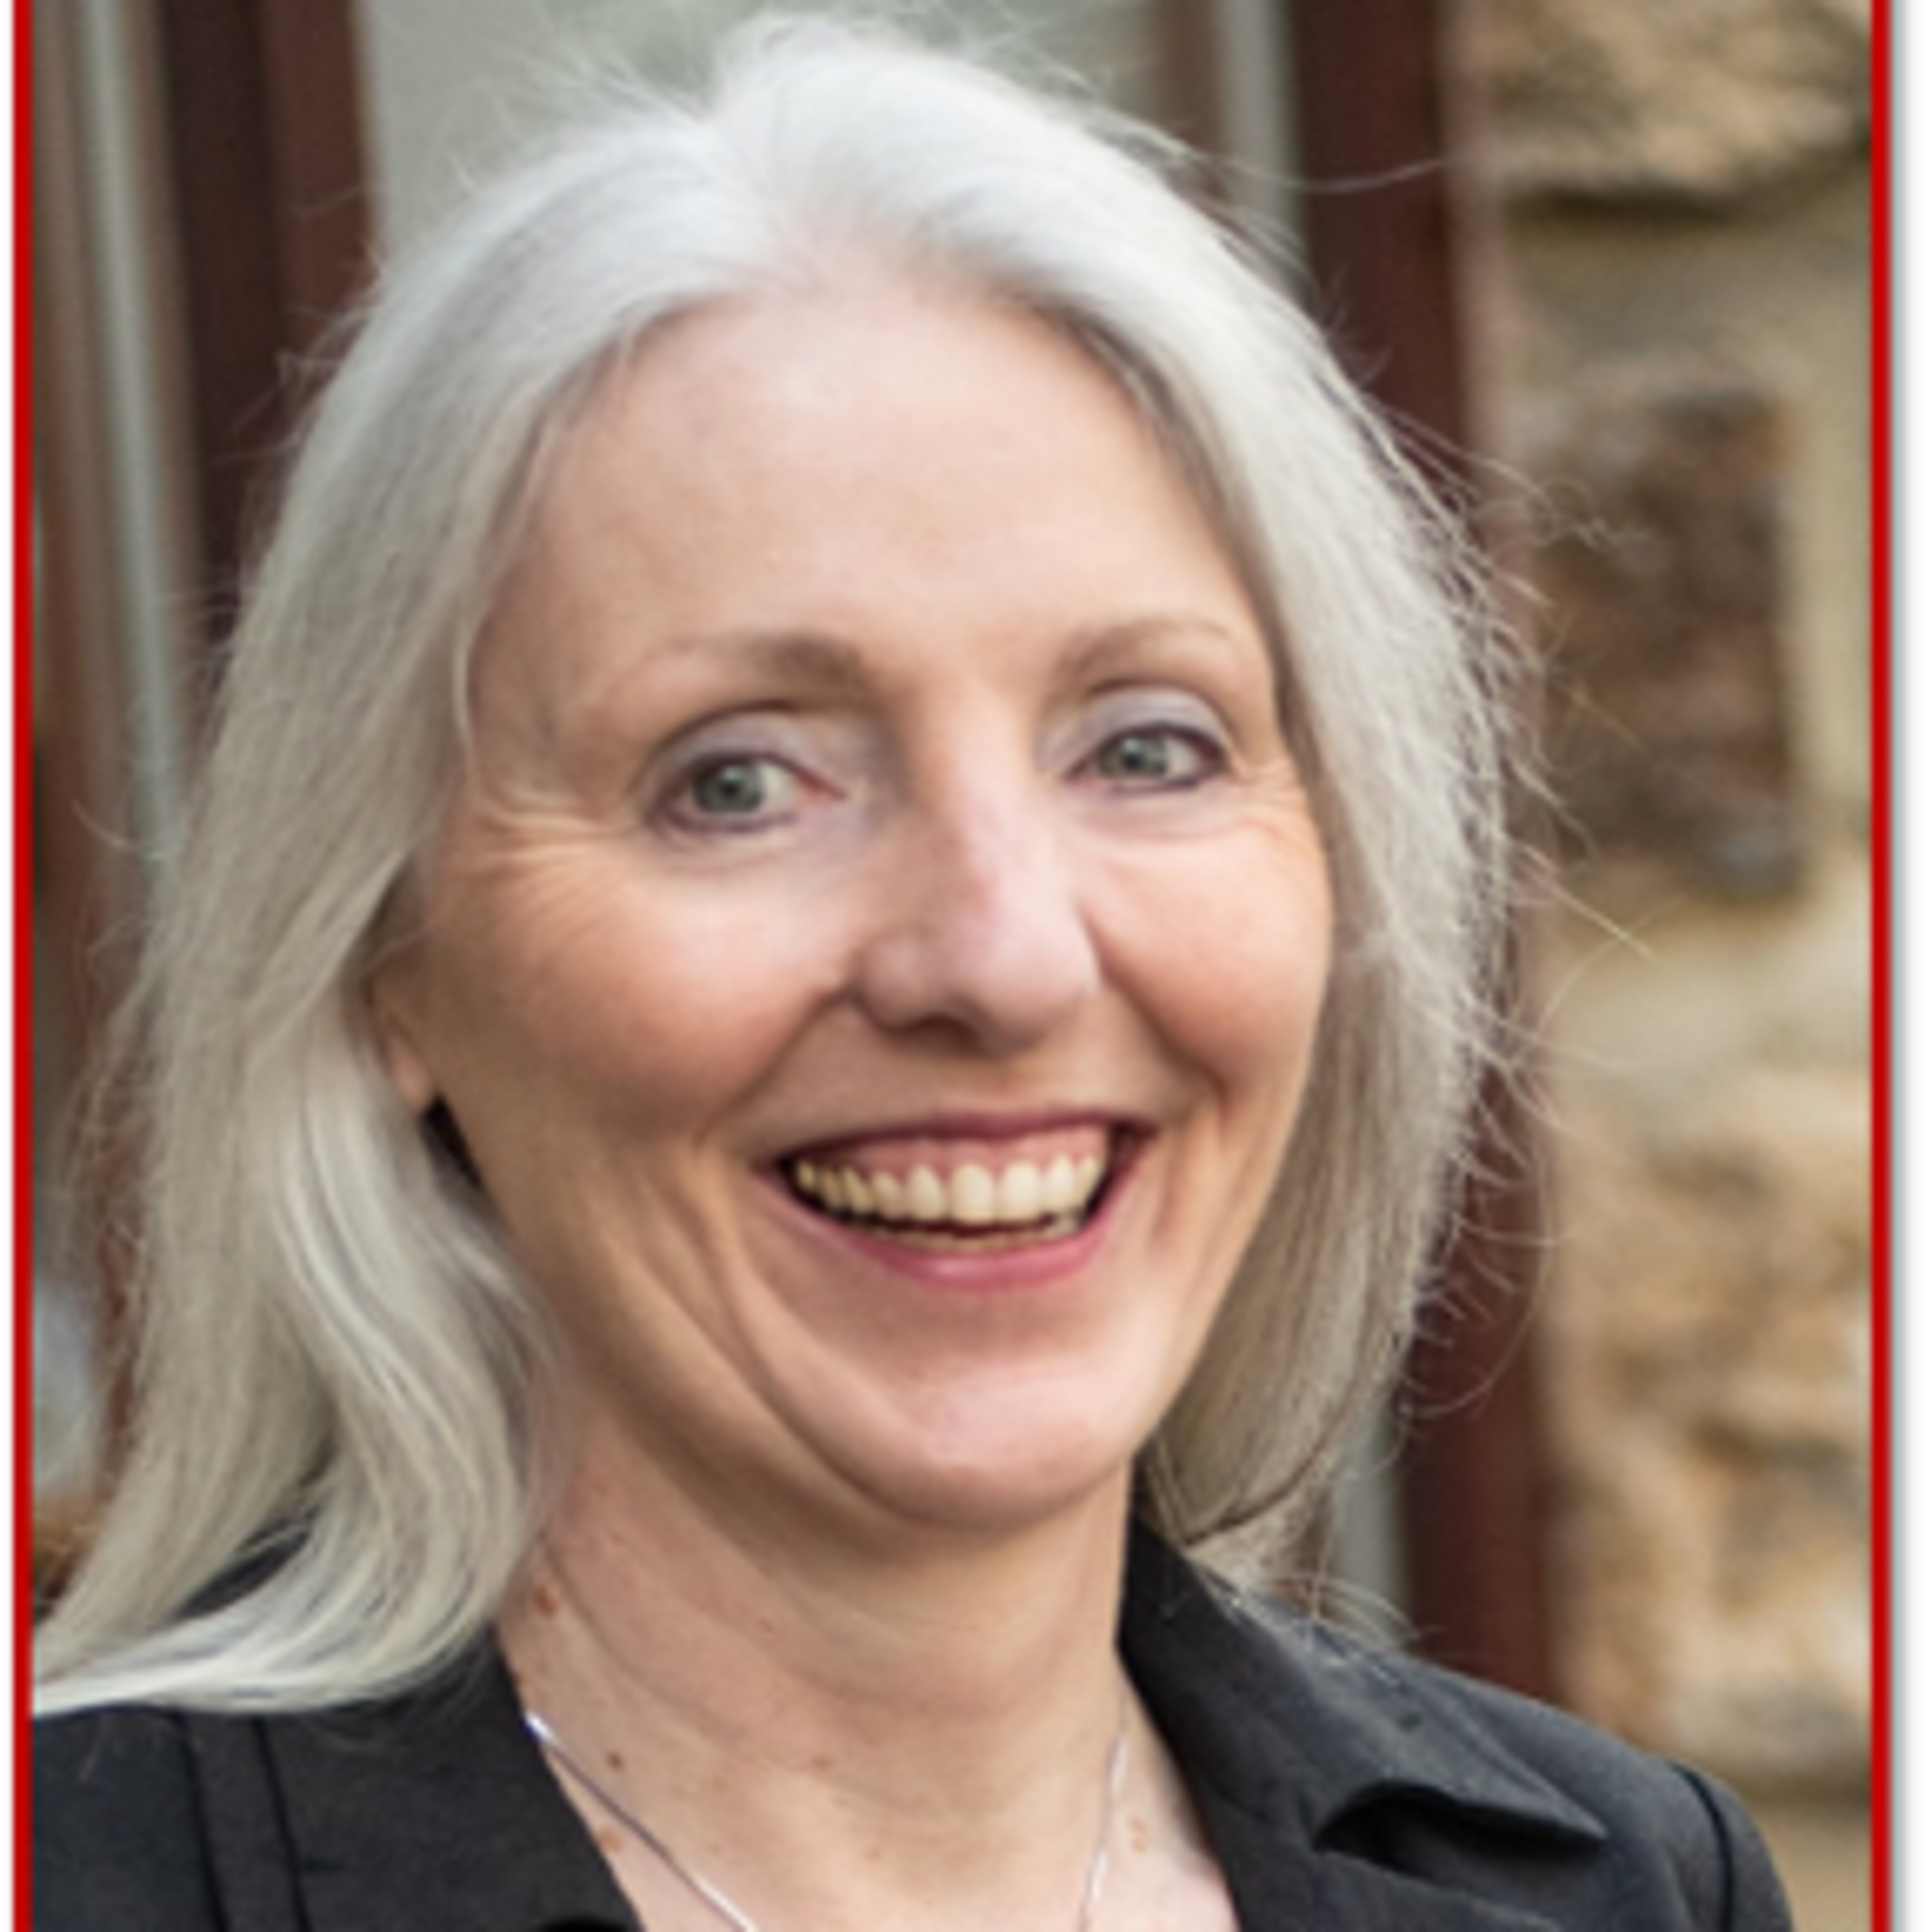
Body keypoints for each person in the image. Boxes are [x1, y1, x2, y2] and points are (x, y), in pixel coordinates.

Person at [34, 21, 1792, 1929]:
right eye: (736, 780)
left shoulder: (1630, 1888)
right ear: (389, 961)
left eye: (1146, 746)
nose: (1005, 957)